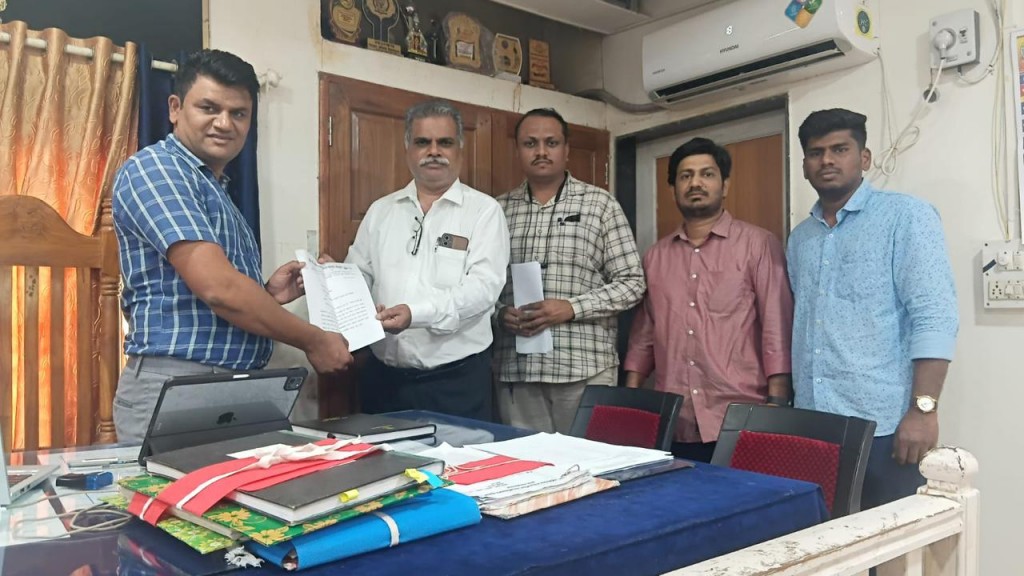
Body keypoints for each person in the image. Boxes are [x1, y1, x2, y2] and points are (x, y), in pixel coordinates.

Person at [112, 50, 353, 443]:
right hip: (179, 382)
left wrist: (267, 295)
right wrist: (314, 339)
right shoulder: (157, 169)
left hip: (230, 385)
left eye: (238, 113)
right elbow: (219, 289)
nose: (224, 123)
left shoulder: (215, 188)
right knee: (175, 488)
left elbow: (204, 297)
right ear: (175, 108)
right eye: (209, 108)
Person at [788, 108, 958, 509]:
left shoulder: (905, 217)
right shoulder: (800, 239)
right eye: (816, 153)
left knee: (892, 540)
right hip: (815, 425)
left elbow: (934, 316)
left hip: (885, 426)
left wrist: (923, 411)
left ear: (864, 158)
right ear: (805, 166)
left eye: (840, 149)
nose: (827, 160)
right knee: (825, 537)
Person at [623, 137, 793, 462]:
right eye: (685, 176)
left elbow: (776, 326)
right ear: (673, 189)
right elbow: (645, 334)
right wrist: (630, 400)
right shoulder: (656, 256)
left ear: (725, 185)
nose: (696, 183)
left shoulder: (758, 245)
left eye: (707, 174)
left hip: (741, 417)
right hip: (673, 420)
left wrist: (778, 403)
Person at [345, 100, 510, 421]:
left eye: (444, 142)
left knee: (459, 456)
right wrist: (334, 279)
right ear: (408, 148)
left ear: (460, 148)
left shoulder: (484, 211)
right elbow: (358, 273)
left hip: (455, 383)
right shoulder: (381, 210)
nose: (434, 151)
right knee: (382, 455)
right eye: (423, 142)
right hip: (383, 380)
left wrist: (415, 314)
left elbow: (483, 290)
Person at [494, 108, 646, 434]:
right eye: (530, 143)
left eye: (551, 143)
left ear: (566, 150)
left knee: (589, 461)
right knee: (527, 462)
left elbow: (633, 283)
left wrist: (572, 308)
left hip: (584, 368)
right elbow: (479, 287)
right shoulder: (496, 211)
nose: (541, 152)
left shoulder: (600, 204)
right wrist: (500, 313)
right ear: (517, 150)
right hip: (517, 371)